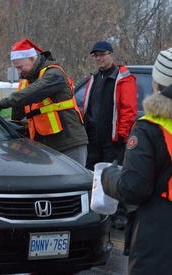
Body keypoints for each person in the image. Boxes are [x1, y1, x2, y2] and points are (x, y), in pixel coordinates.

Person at [101, 47, 172, 274]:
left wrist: (107, 176)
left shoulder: (150, 128)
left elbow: (134, 188)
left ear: (157, 84)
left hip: (159, 239)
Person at [0, 38, 88, 166]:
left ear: (32, 59)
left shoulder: (54, 74)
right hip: (43, 147)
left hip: (68, 142)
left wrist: (4, 102)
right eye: (16, 68)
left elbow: (33, 93)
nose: (19, 72)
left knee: (74, 183)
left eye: (20, 67)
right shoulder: (25, 83)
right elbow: (17, 113)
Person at [81, 40, 137, 229]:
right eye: (96, 55)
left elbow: (128, 109)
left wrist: (122, 135)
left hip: (113, 138)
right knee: (94, 174)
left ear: (111, 55)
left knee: (116, 175)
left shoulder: (123, 77)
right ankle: (97, 211)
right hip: (93, 136)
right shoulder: (94, 77)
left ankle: (119, 214)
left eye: (102, 54)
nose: (98, 58)